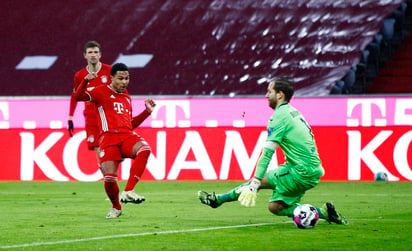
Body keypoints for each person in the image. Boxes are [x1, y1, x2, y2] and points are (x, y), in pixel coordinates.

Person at [198, 78, 348, 225]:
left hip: (300, 172)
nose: (266, 95)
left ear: (280, 94)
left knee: (266, 194)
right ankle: (217, 200)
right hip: (309, 169)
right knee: (270, 198)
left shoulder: (279, 117)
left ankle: (317, 213)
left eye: (269, 91)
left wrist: (254, 183)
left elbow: (268, 153)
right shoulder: (293, 112)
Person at [74, 62, 156, 219]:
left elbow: (130, 125)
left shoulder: (126, 97)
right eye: (120, 79)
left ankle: (129, 191)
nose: (124, 82)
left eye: (127, 78)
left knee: (144, 149)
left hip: (126, 135)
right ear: (111, 78)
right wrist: (85, 81)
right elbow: (77, 97)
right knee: (110, 178)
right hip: (108, 138)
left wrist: (146, 112)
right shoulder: (100, 92)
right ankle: (116, 207)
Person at [68, 41, 112, 163]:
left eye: (96, 52)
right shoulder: (79, 75)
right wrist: (70, 117)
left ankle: (110, 177)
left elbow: (121, 91)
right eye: (90, 52)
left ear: (100, 55)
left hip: (108, 116)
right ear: (85, 55)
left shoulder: (109, 71)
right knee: (99, 151)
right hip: (91, 117)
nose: (93, 55)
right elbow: (75, 96)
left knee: (110, 150)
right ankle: (109, 179)